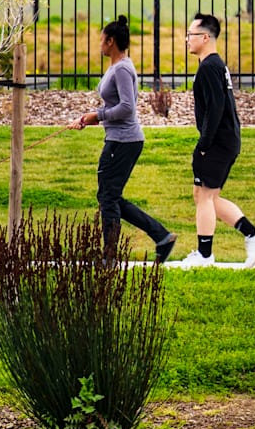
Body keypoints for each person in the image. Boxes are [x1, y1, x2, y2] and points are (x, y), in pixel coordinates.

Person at [68, 15, 177, 262]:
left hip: (124, 141)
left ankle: (110, 257)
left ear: (111, 41)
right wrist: (93, 117)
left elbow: (128, 107)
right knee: (111, 196)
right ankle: (161, 236)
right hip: (119, 139)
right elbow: (116, 106)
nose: (99, 44)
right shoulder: (117, 67)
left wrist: (98, 114)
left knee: (108, 197)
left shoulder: (123, 69)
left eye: (102, 40)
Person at [176, 12, 255, 269]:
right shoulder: (214, 65)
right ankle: (254, 234)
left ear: (205, 37)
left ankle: (205, 256)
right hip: (226, 140)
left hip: (219, 142)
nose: (187, 39)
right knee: (205, 195)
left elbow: (216, 109)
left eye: (191, 34)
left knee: (205, 196)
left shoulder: (209, 67)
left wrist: (204, 145)